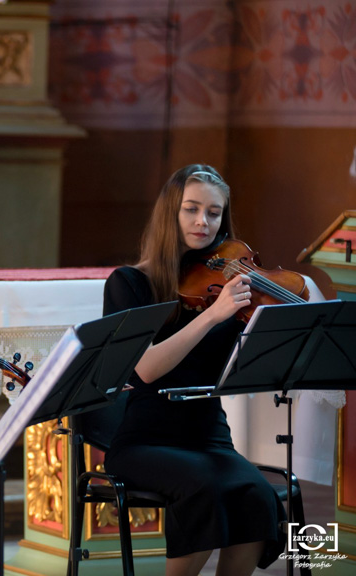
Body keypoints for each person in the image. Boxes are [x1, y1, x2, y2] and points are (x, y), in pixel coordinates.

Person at [102, 164, 324, 576]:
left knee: (257, 495)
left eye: (214, 212)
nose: (203, 221)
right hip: (146, 441)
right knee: (205, 488)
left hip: (209, 437)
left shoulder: (235, 287)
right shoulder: (129, 283)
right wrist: (213, 315)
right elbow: (146, 369)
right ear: (171, 212)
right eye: (191, 209)